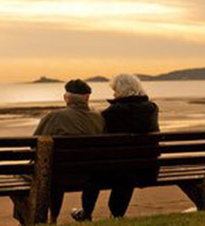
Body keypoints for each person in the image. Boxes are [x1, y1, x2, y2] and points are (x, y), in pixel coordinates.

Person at [71, 74, 159, 222]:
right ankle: (117, 214)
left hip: (119, 170)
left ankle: (86, 212)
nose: (114, 94)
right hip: (147, 169)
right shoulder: (152, 109)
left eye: (115, 90)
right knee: (128, 167)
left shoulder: (112, 113)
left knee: (94, 171)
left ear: (121, 91)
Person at [32, 79, 105, 224]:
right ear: (87, 97)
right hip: (91, 175)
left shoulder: (54, 116)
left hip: (60, 176)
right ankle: (87, 214)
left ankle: (53, 218)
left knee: (53, 172)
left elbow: (34, 144)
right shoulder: (99, 118)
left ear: (66, 98)